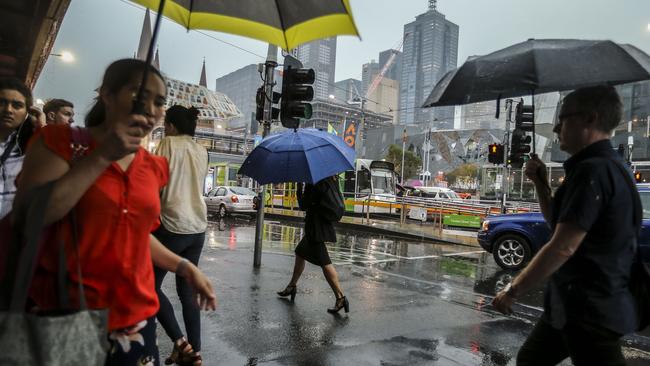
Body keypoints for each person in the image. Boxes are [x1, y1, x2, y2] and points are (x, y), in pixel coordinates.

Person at [14, 59, 217, 366]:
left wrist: (185, 267)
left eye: (159, 101)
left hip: (137, 321)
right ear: (107, 95)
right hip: (67, 312)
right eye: (139, 95)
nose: (150, 108)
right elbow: (30, 217)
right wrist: (102, 156)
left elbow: (135, 235)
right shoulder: (58, 143)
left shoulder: (153, 165)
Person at [492, 85, 639, 366]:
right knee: (530, 360)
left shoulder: (592, 171)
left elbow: (563, 246)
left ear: (590, 119)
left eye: (564, 117)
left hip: (589, 309)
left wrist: (513, 290)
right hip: (574, 306)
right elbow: (559, 224)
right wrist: (540, 184)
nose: (557, 127)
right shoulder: (610, 166)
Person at [153, 105, 208, 365]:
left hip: (172, 225)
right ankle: (195, 353)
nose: (164, 127)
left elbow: (157, 183)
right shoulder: (202, 150)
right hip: (197, 227)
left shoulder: (167, 144)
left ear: (172, 126)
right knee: (187, 293)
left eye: (166, 123)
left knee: (148, 286)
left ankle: (180, 342)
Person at [277, 176, 349, 314]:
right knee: (300, 252)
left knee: (325, 262)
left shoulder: (314, 182)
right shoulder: (329, 180)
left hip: (316, 228)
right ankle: (292, 286)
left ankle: (340, 297)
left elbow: (304, 204)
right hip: (320, 225)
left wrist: (299, 188)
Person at [0, 77, 42, 219]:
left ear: (27, 113)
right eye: (2, 103)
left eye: (17, 105)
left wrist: (42, 128)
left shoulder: (29, 151)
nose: (8, 110)